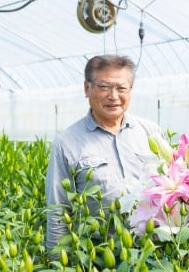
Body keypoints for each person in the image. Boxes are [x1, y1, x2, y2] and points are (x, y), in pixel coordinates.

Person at [45, 54, 162, 258]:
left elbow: (171, 190)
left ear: (130, 91)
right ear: (86, 88)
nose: (113, 96)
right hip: (98, 257)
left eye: (121, 88)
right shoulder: (67, 142)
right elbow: (59, 210)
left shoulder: (150, 132)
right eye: (104, 87)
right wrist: (58, 266)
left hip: (153, 254)